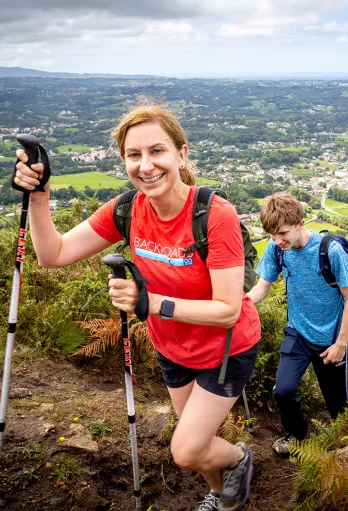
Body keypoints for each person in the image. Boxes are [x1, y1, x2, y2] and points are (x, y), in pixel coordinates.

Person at [13, 105, 260, 511]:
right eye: (133, 155)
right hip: (174, 347)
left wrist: (150, 303)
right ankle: (220, 494)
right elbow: (53, 255)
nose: (145, 165)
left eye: (157, 151)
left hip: (226, 349)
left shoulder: (214, 214)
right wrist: (39, 198)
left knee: (185, 451)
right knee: (192, 444)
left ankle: (238, 459)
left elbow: (228, 310)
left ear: (182, 154)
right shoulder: (127, 210)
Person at [246, 193, 348, 457]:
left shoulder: (330, 250)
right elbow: (262, 288)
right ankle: (298, 436)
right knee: (283, 389)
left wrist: (341, 344)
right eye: (272, 235)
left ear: (300, 223)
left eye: (282, 233)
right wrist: (237, 307)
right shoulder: (276, 249)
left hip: (331, 339)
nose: (277, 241)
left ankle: (344, 450)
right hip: (298, 333)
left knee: (338, 407)